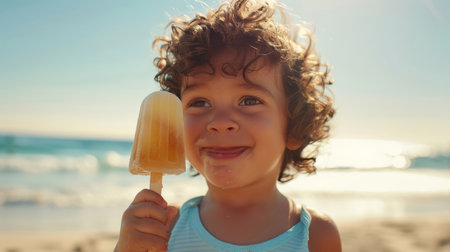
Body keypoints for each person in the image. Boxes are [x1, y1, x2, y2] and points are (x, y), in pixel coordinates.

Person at [115, 0, 341, 251]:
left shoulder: (316, 235)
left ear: (293, 126)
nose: (220, 123)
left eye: (249, 100)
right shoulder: (164, 230)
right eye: (200, 102)